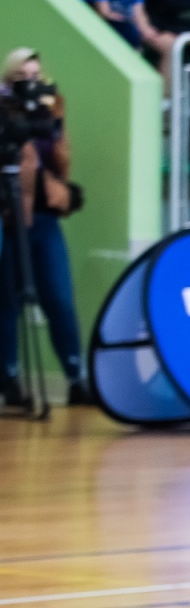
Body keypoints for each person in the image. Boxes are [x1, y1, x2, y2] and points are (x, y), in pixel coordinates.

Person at [0, 49, 91, 408]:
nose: (31, 83)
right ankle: (9, 378)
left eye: (36, 75)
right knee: (8, 302)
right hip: (8, 217)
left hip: (44, 214)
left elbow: (60, 155)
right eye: (22, 76)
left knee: (60, 299)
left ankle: (76, 378)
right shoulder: (3, 110)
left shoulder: (51, 106)